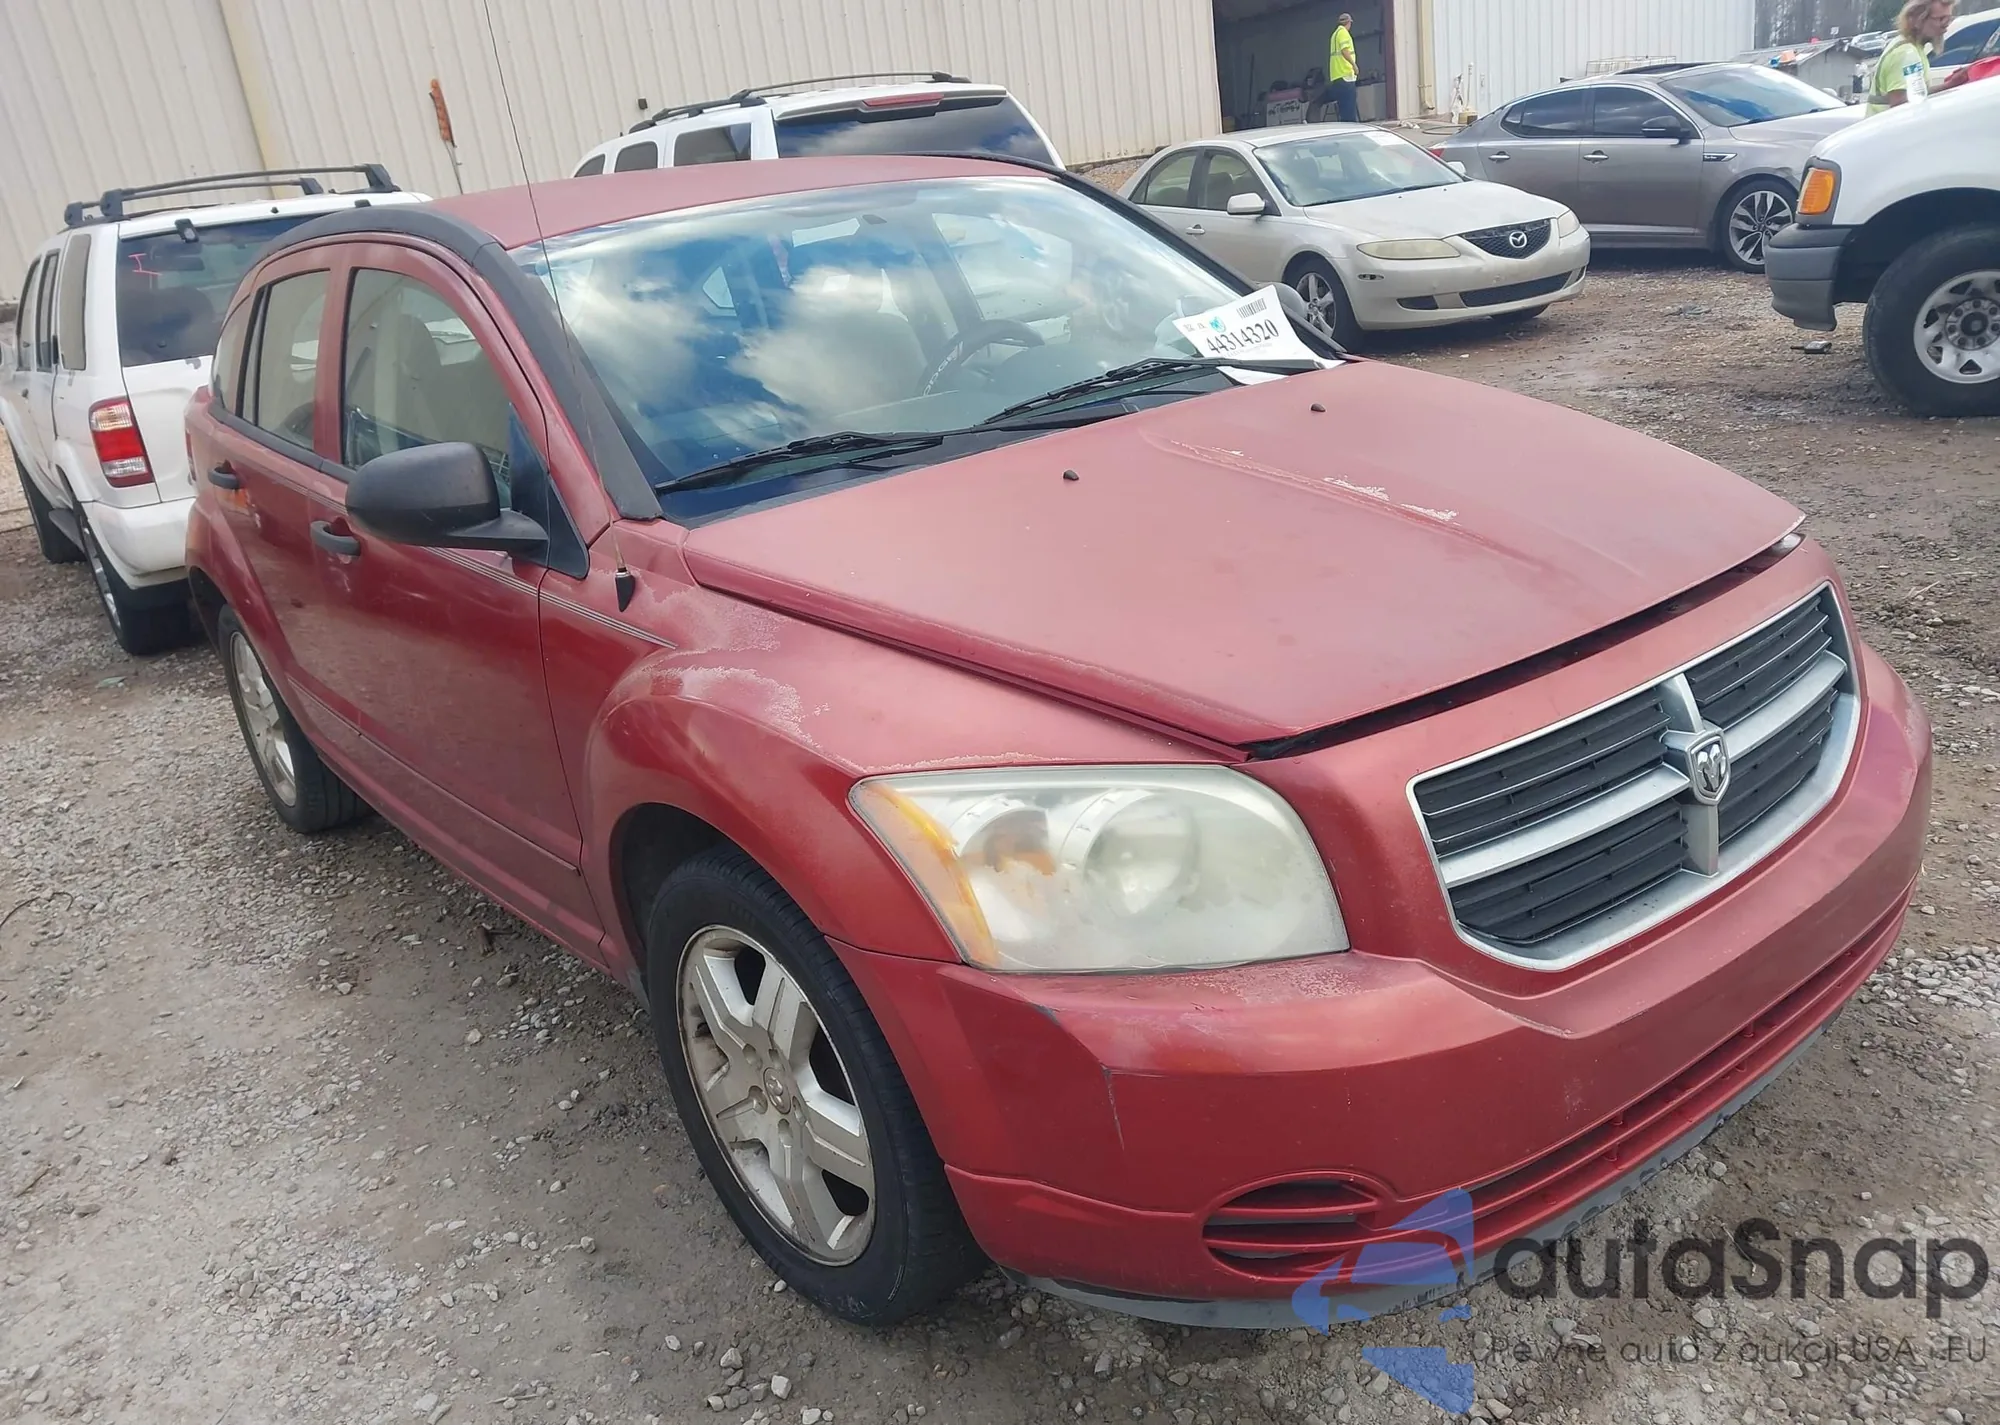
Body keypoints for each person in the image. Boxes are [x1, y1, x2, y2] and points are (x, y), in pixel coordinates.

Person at [1867, 0, 1954, 114]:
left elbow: (1915, 95)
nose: (1946, 25)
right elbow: (1900, 105)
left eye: (1948, 19)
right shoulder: (1907, 54)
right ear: (1917, 20)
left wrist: (1949, 85)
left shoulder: (1909, 46)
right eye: (1940, 19)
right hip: (1889, 125)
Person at [1325, 12, 1360, 123]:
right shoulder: (1344, 33)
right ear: (1349, 23)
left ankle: (1345, 127)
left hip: (1337, 75)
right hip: (1345, 74)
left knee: (1343, 108)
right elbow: (1345, 51)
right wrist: (1354, 65)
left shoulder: (1334, 35)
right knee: (1349, 108)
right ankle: (1351, 128)